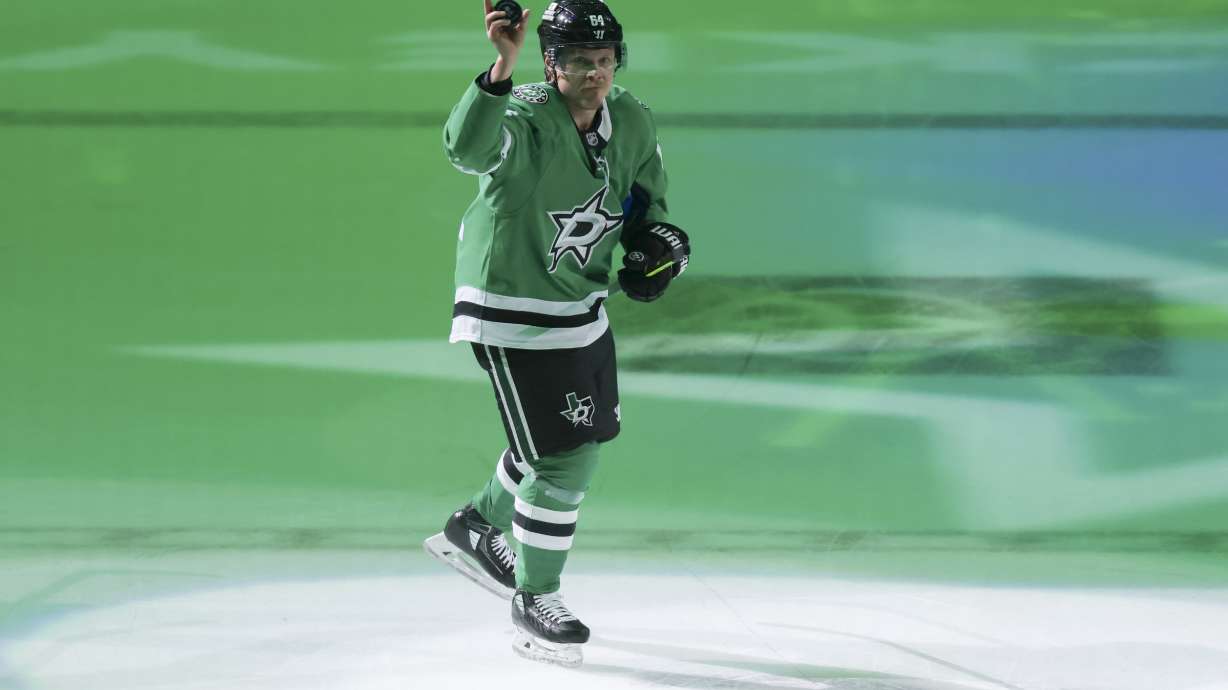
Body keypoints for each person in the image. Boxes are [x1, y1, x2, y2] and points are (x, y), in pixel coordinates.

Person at [422, 0, 690, 668]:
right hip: (511, 308)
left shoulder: (630, 118)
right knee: (563, 458)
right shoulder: (524, 115)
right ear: (551, 63)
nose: (594, 74)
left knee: (574, 434)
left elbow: (643, 206)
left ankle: (476, 525)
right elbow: (466, 149)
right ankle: (534, 598)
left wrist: (660, 244)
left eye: (604, 61)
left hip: (581, 308)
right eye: (578, 62)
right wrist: (499, 69)